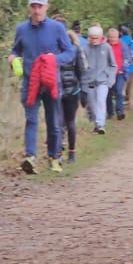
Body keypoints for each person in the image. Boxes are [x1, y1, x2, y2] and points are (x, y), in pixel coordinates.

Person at [10, 0, 76, 174]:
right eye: (33, 6)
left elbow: (70, 53)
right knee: (31, 120)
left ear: (46, 7)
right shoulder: (22, 29)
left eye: (40, 6)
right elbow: (15, 50)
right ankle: (30, 157)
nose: (37, 10)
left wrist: (54, 59)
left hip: (50, 82)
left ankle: (54, 157)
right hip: (30, 82)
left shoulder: (57, 28)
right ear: (29, 8)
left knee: (53, 122)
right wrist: (13, 58)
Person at [58, 24, 87, 165]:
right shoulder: (76, 50)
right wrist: (84, 92)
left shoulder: (55, 51)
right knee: (70, 122)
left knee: (58, 122)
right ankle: (71, 154)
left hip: (59, 90)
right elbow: (82, 72)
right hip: (72, 90)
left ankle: (57, 153)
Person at [83, 25, 117, 134]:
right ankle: (96, 124)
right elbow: (82, 66)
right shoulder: (85, 49)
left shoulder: (106, 48)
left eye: (96, 37)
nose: (94, 40)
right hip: (90, 82)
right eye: (92, 37)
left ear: (101, 37)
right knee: (92, 105)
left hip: (103, 81)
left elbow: (113, 65)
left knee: (101, 101)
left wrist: (110, 80)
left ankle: (101, 124)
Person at [107, 27, 127, 121]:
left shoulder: (123, 46)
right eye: (111, 37)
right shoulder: (105, 45)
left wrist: (125, 72)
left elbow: (127, 59)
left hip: (120, 73)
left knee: (119, 92)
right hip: (108, 73)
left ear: (118, 37)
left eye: (114, 37)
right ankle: (110, 112)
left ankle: (120, 111)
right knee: (108, 94)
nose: (113, 39)